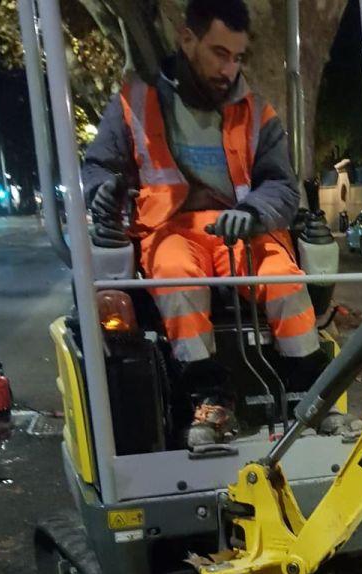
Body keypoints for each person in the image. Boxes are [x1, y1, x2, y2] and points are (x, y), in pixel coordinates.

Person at [82, 0, 322, 447]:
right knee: (175, 276)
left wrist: (252, 214)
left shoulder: (258, 113)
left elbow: (283, 188)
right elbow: (96, 169)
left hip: (244, 232)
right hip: (171, 229)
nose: (229, 69)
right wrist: (102, 191)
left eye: (237, 58)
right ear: (187, 39)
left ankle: (313, 392)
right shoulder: (135, 103)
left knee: (284, 278)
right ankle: (210, 399)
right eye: (219, 53)